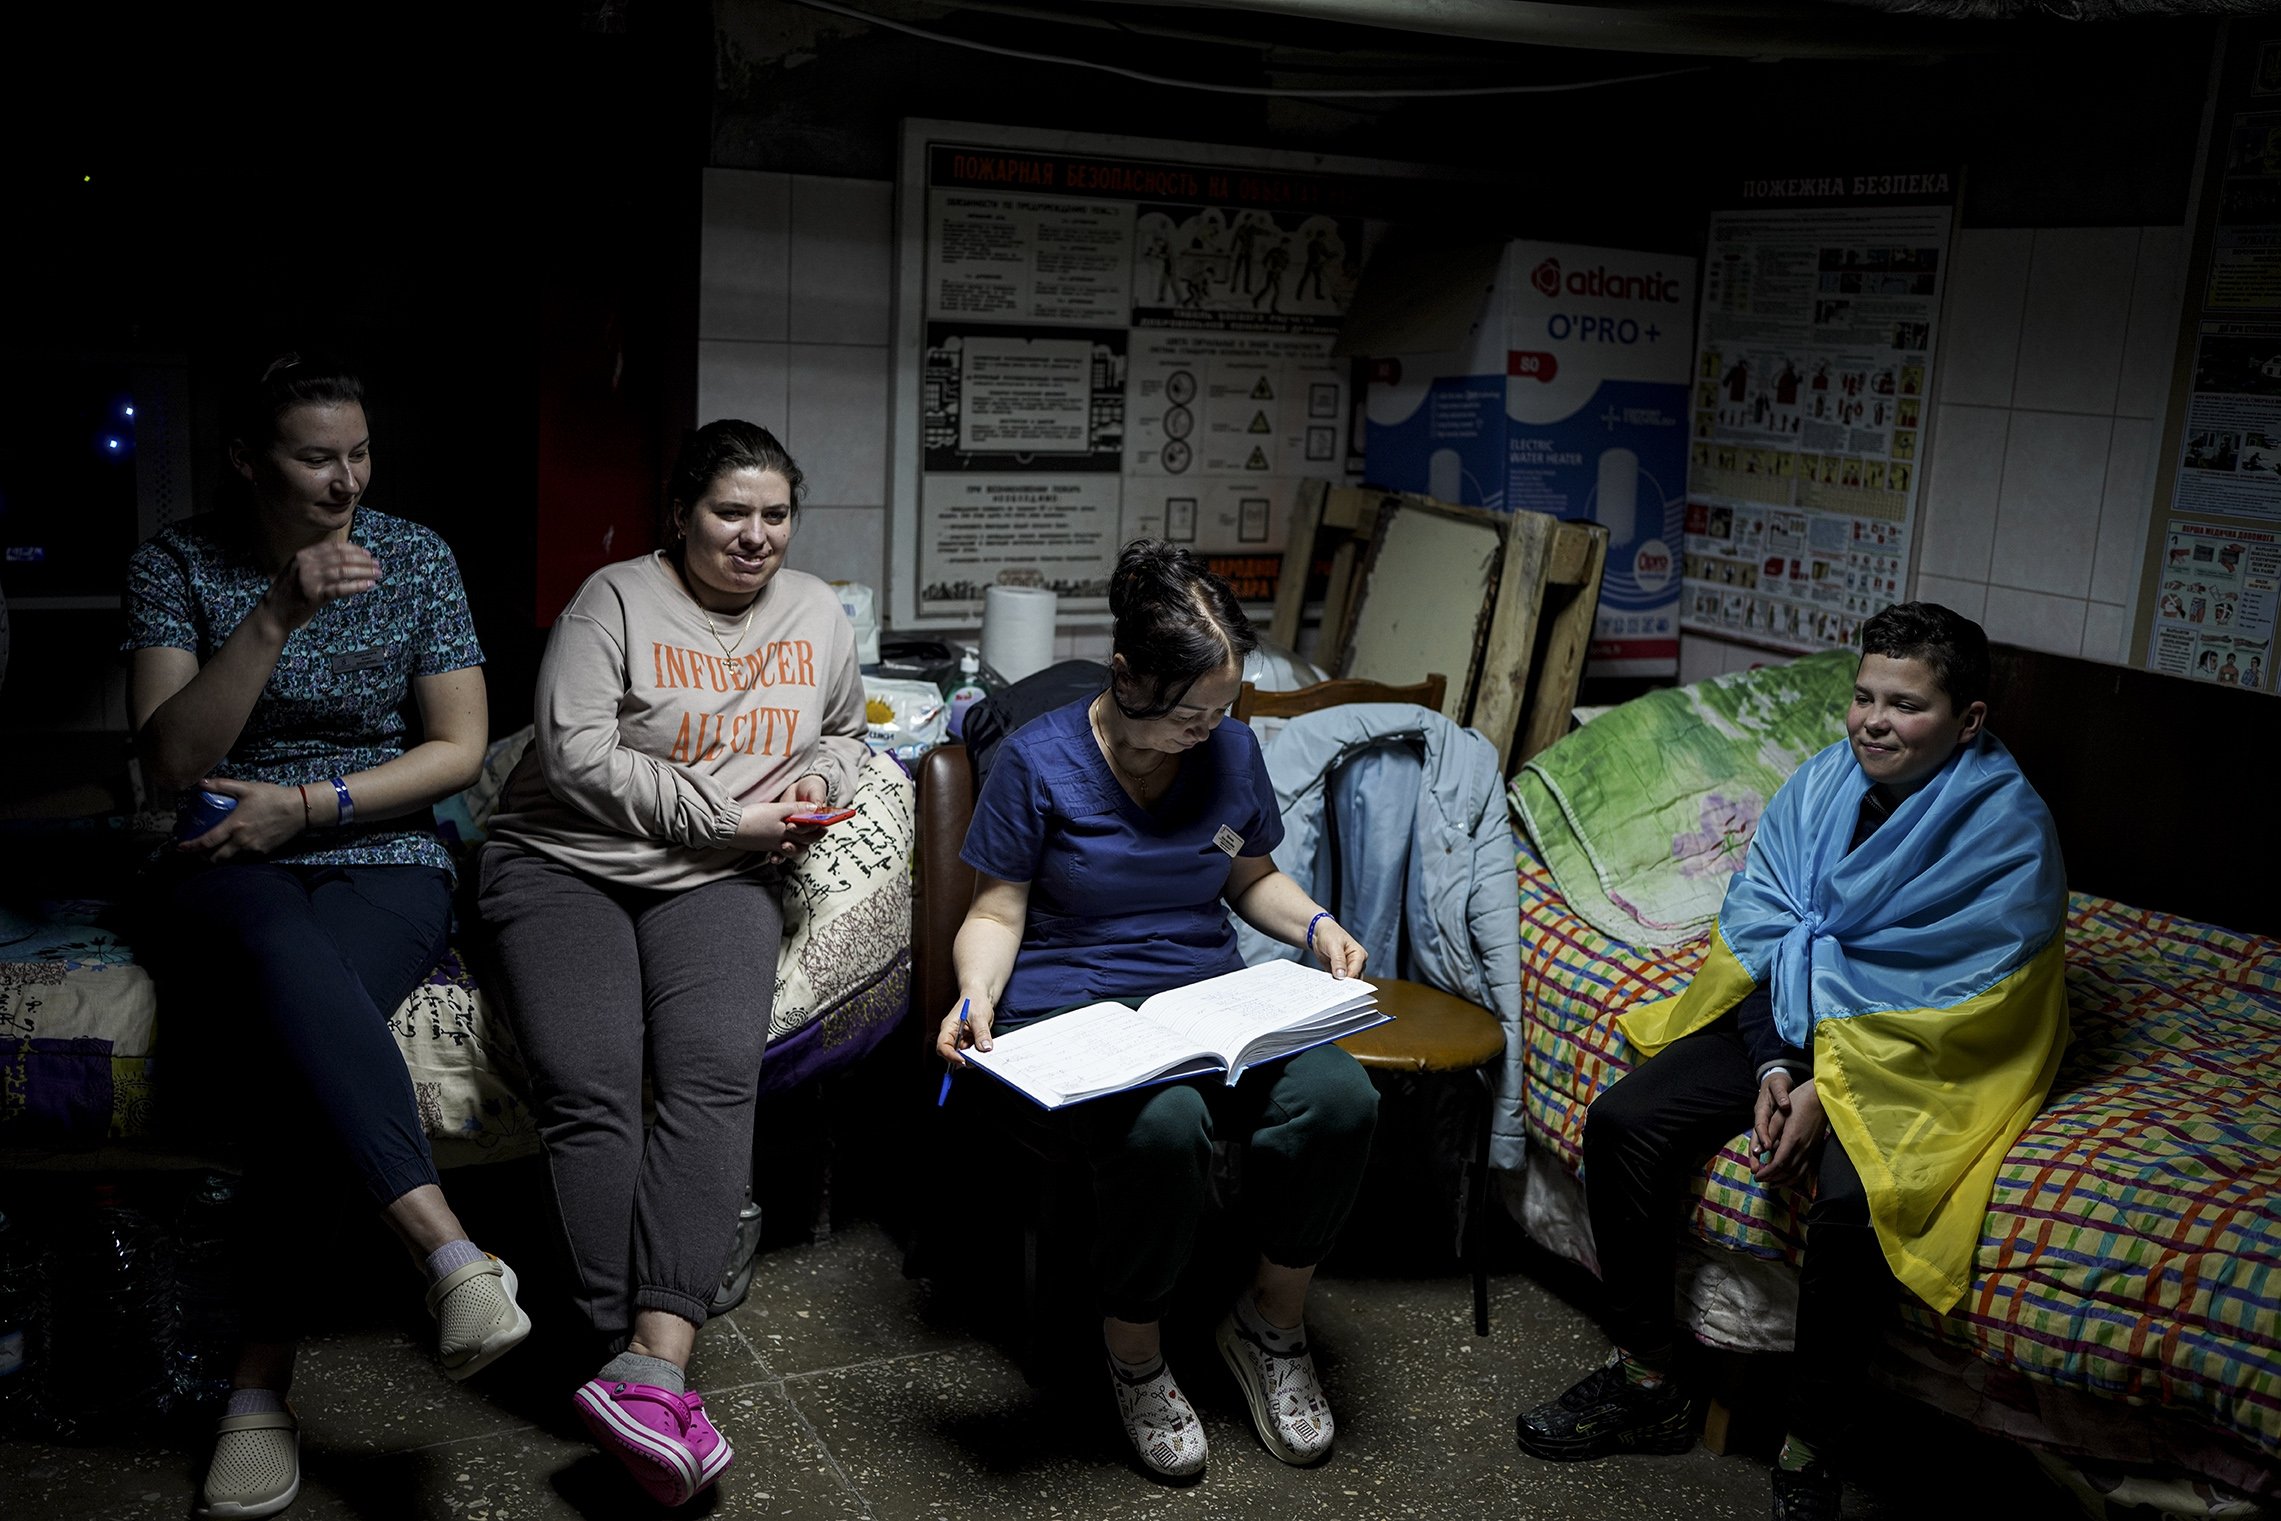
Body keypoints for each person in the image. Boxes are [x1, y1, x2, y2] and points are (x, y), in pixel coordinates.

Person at [1514, 602, 2068, 1521]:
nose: (1871, 721)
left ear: (1968, 721)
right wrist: (1776, 1066)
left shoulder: (2008, 832)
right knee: (1623, 1122)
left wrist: (1832, 1085)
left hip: (1920, 1057)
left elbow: (1972, 1000)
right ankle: (1650, 1373)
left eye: (1905, 704)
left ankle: (1813, 1438)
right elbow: (1766, 925)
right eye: (1862, 696)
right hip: (1795, 1024)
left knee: (1858, 1207)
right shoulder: (1821, 785)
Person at [123, 353, 523, 1521]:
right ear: (248, 459)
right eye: (314, 456)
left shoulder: (420, 557)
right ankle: (449, 1252)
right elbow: (172, 761)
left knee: (300, 1023)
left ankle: (256, 1392)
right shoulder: (176, 564)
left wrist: (307, 805)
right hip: (212, 847)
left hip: (380, 844)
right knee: (282, 972)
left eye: (358, 453)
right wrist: (276, 612)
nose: (345, 480)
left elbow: (456, 750)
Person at [476, 419, 868, 1508]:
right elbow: (574, 753)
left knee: (709, 1077)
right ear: (682, 516)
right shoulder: (614, 600)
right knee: (591, 1085)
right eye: (729, 513)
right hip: (566, 862)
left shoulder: (817, 612)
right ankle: (627, 1366)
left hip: (716, 879)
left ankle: (659, 1363)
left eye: (774, 516)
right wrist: (726, 818)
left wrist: (806, 792)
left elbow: (844, 728)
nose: (754, 538)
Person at [937, 540, 1378, 1482]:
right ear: (1127, 677)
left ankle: (1268, 1321)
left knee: (1339, 1097)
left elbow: (1248, 873)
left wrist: (1317, 927)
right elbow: (995, 906)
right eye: (1191, 711)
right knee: (1164, 1126)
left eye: (1225, 707)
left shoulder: (1228, 749)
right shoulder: (1037, 761)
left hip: (1206, 1006)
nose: (1210, 727)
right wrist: (974, 993)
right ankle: (1134, 1351)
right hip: (1072, 1016)